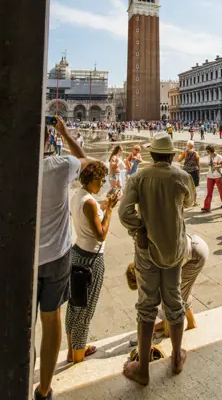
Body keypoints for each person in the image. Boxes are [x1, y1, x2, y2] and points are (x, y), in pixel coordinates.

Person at [119, 132, 195, 385]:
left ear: (151, 154)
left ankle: (142, 369)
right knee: (174, 300)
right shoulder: (182, 176)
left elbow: (124, 212)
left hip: (146, 248)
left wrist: (139, 229)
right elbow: (190, 202)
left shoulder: (138, 177)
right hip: (174, 246)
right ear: (172, 155)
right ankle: (175, 360)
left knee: (146, 304)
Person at [35, 116, 90, 400]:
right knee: (52, 318)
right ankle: (44, 392)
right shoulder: (60, 166)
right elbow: (87, 162)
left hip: (24, 259)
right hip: (56, 256)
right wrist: (66, 133)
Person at [65, 161, 119, 363]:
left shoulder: (78, 196)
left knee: (74, 304)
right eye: (101, 180)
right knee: (85, 309)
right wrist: (110, 210)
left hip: (78, 252)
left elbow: (89, 217)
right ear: (92, 179)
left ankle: (72, 349)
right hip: (90, 258)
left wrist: (102, 207)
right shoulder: (88, 202)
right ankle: (78, 354)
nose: (103, 184)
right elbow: (101, 235)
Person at [126, 233, 209, 335]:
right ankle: (168, 324)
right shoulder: (146, 263)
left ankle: (188, 324)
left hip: (196, 255)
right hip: (195, 244)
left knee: (175, 294)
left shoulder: (153, 268)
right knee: (179, 290)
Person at [202, 144, 222, 212]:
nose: (207, 153)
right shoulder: (209, 157)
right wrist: (209, 164)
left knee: (221, 191)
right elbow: (209, 165)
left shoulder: (219, 157)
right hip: (210, 176)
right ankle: (206, 207)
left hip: (218, 176)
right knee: (209, 192)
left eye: (208, 151)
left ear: (211, 151)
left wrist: (217, 166)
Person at [179, 141, 200, 206]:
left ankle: (184, 202)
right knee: (194, 187)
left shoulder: (185, 152)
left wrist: (180, 155)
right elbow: (198, 165)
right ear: (193, 146)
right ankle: (195, 202)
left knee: (185, 186)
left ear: (187, 146)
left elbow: (179, 160)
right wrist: (198, 173)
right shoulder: (196, 153)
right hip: (194, 171)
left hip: (186, 171)